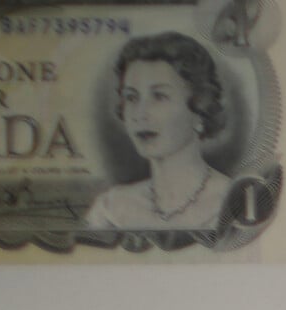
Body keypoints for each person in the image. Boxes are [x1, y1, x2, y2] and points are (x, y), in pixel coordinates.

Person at [86, 31, 232, 230]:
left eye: (159, 96)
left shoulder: (233, 203)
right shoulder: (110, 208)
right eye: (131, 98)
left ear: (199, 108)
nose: (140, 114)